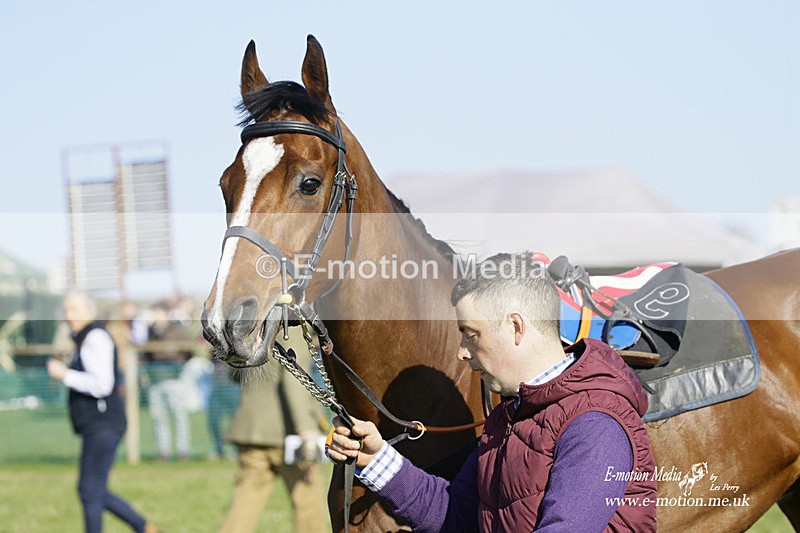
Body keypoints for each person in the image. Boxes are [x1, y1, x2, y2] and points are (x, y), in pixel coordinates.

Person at [327, 253, 658, 532]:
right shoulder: (511, 415)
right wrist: (376, 459)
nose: (462, 352)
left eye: (471, 334)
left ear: (516, 326)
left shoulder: (594, 425)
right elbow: (454, 513)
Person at [46, 291, 157, 533]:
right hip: (96, 424)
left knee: (89, 489)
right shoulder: (83, 339)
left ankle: (142, 526)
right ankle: (143, 527)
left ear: (88, 312)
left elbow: (101, 384)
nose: (68, 316)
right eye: (66, 310)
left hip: (103, 423)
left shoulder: (95, 338)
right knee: (92, 489)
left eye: (74, 310)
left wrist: (63, 374)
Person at [218, 328, 328, 533]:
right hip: (289, 435)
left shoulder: (254, 329)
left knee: (244, 507)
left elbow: (234, 372)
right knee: (309, 505)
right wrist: (306, 429)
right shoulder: (293, 333)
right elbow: (294, 380)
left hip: (251, 430)